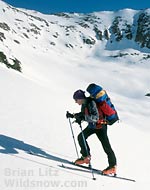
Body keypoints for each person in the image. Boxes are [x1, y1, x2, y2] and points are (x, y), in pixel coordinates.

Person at [66, 89, 117, 175]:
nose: (75, 102)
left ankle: (112, 167)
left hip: (101, 127)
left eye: (76, 99)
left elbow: (95, 117)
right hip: (93, 126)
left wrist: (83, 118)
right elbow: (84, 114)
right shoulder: (84, 104)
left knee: (106, 146)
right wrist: (74, 116)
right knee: (81, 137)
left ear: (80, 98)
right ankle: (85, 157)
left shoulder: (91, 103)